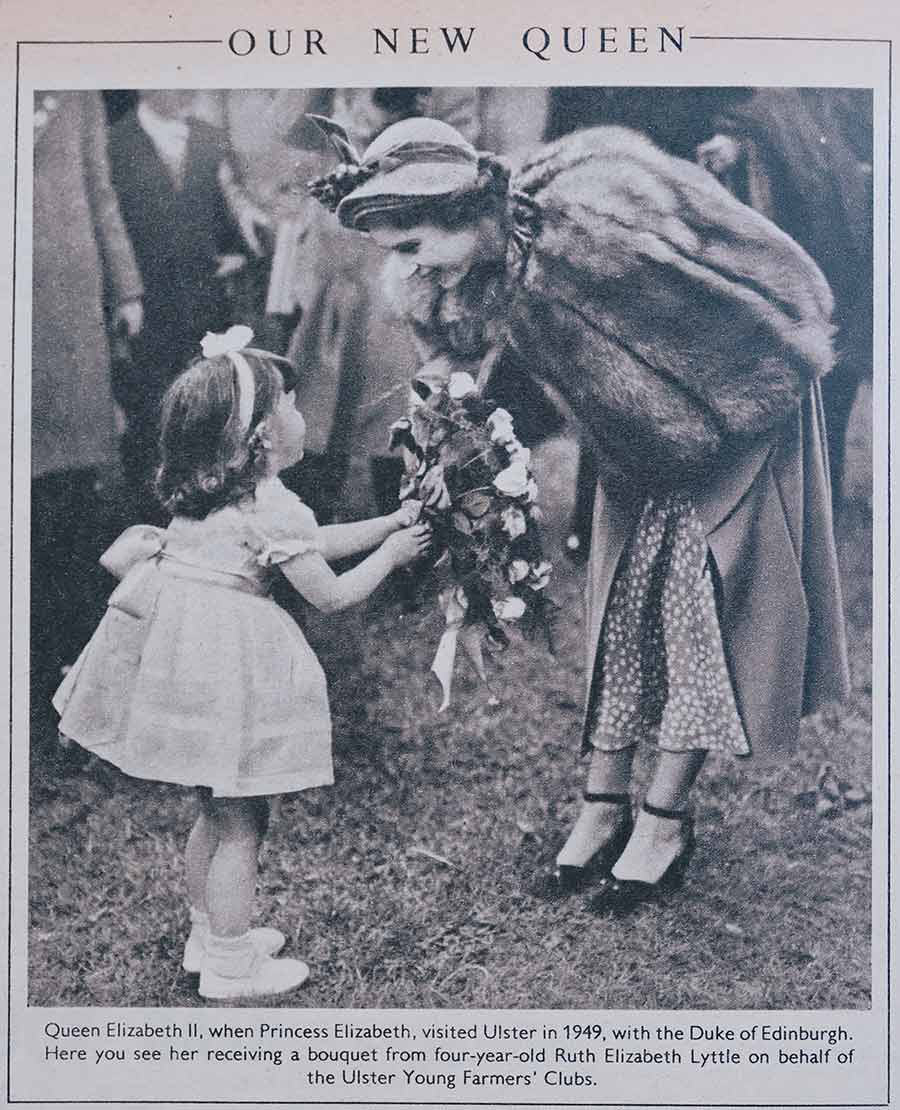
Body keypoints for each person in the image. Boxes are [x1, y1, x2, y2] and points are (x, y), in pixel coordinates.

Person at [310, 117, 850, 914]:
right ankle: (604, 803)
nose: (407, 266)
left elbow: (748, 299)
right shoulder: (461, 272)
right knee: (625, 607)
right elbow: (468, 364)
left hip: (738, 403)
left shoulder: (595, 213)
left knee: (698, 604)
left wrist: (720, 404)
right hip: (639, 436)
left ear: (464, 208)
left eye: (413, 242)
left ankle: (664, 818)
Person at [52, 327, 431, 999]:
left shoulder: (219, 499)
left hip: (188, 660)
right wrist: (392, 557)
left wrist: (389, 521)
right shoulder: (273, 508)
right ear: (258, 436)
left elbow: (309, 542)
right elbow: (331, 592)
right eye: (288, 402)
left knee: (215, 806)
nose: (299, 413)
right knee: (243, 820)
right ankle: (230, 964)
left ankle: (210, 935)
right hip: (231, 667)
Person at [32, 90, 143, 743]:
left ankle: (77, 687)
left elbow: (100, 192)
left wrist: (126, 287)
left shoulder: (74, 91)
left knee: (74, 501)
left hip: (68, 319)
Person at [107, 91, 247, 515]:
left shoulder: (210, 138)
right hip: (144, 306)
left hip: (204, 301)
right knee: (149, 411)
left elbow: (227, 212)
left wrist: (235, 251)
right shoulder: (115, 143)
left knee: (206, 405)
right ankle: (151, 513)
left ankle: (206, 510)